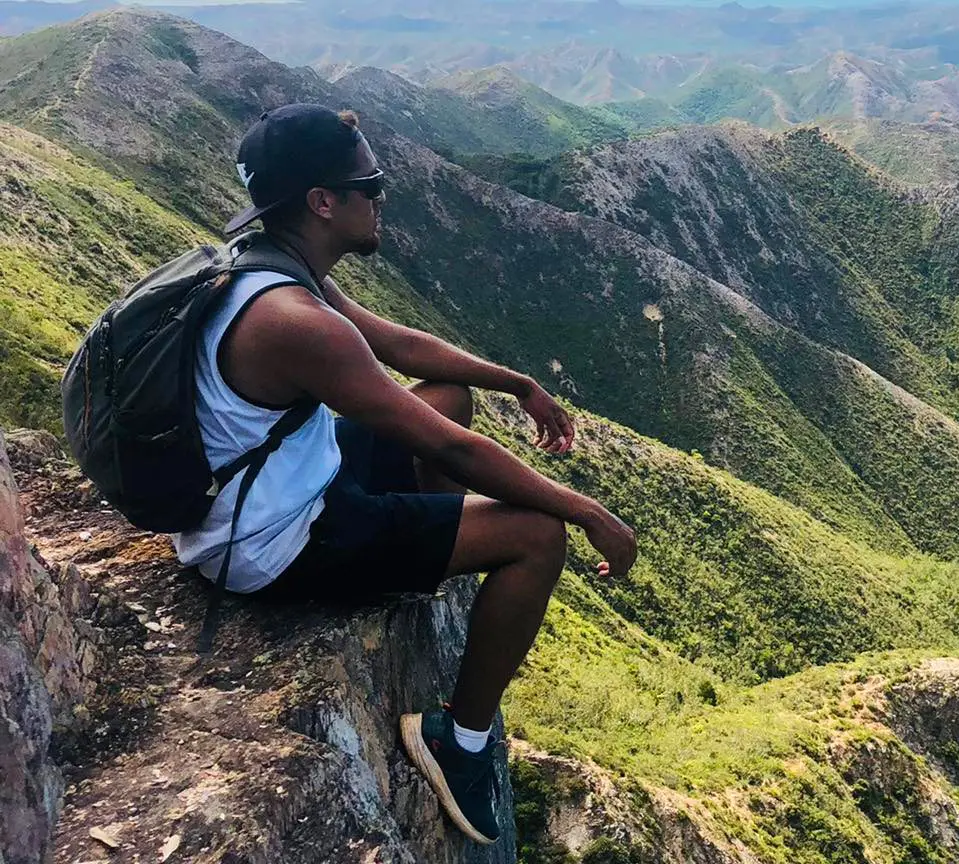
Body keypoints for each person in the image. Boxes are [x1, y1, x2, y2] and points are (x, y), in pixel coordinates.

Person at [172, 103, 637, 845]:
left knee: (452, 395)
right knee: (537, 534)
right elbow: (449, 452)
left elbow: (399, 345)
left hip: (282, 484)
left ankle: (419, 561)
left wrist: (516, 381)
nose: (382, 197)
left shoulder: (278, 268)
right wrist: (587, 510)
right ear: (324, 202)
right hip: (277, 539)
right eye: (372, 182)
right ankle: (463, 745)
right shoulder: (297, 322)